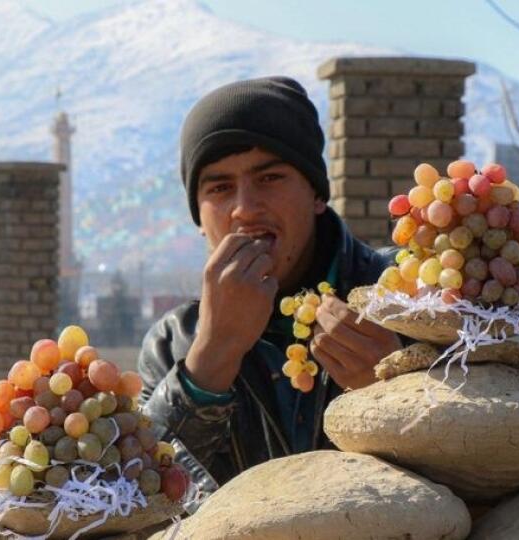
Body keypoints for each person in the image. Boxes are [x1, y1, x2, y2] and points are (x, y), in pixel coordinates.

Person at [138, 76, 403, 496]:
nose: (245, 208)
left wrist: (398, 389)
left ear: (316, 194)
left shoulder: (403, 293)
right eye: (220, 188)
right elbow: (142, 495)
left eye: (270, 178)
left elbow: (484, 464)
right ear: (199, 216)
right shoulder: (173, 343)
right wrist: (211, 358)